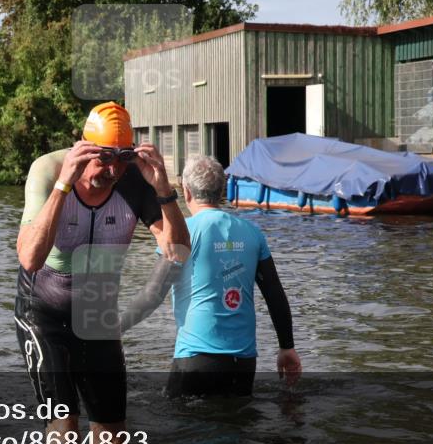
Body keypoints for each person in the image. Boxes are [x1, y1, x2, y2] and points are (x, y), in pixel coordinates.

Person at [15, 101, 190, 444]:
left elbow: (177, 251)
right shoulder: (47, 171)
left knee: (113, 440)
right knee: (64, 428)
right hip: (43, 311)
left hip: (97, 315)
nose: (110, 171)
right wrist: (64, 185)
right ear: (83, 147)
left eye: (120, 160)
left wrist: (163, 189)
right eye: (101, 159)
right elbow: (29, 257)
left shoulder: (132, 181)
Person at [127, 155, 302, 398]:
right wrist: (287, 347)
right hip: (244, 362)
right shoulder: (253, 233)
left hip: (196, 359)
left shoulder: (182, 233)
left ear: (186, 192)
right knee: (235, 427)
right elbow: (274, 295)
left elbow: (153, 295)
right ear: (222, 190)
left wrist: (113, 330)